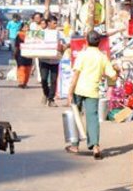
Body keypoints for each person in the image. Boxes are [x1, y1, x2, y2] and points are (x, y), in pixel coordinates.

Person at [67, 30, 120, 159]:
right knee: (93, 118)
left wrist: (70, 92)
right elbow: (112, 74)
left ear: (86, 40)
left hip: (79, 89)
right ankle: (95, 146)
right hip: (92, 91)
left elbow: (76, 75)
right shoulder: (102, 57)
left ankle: (75, 144)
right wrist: (116, 70)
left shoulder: (82, 55)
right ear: (99, 42)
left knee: (76, 115)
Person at [38, 16, 66, 107]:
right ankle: (46, 94)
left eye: (56, 23)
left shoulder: (59, 33)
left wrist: (63, 47)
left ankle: (51, 99)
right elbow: (36, 42)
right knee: (44, 79)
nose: (55, 25)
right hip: (44, 59)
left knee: (54, 80)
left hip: (55, 60)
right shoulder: (42, 33)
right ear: (49, 23)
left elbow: (65, 43)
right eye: (54, 23)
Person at [14, 23, 33, 88]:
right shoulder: (19, 35)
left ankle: (25, 82)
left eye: (27, 27)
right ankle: (21, 82)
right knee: (21, 68)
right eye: (25, 27)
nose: (26, 28)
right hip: (20, 54)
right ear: (21, 28)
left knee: (28, 68)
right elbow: (16, 46)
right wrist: (15, 54)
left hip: (29, 54)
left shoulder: (32, 35)